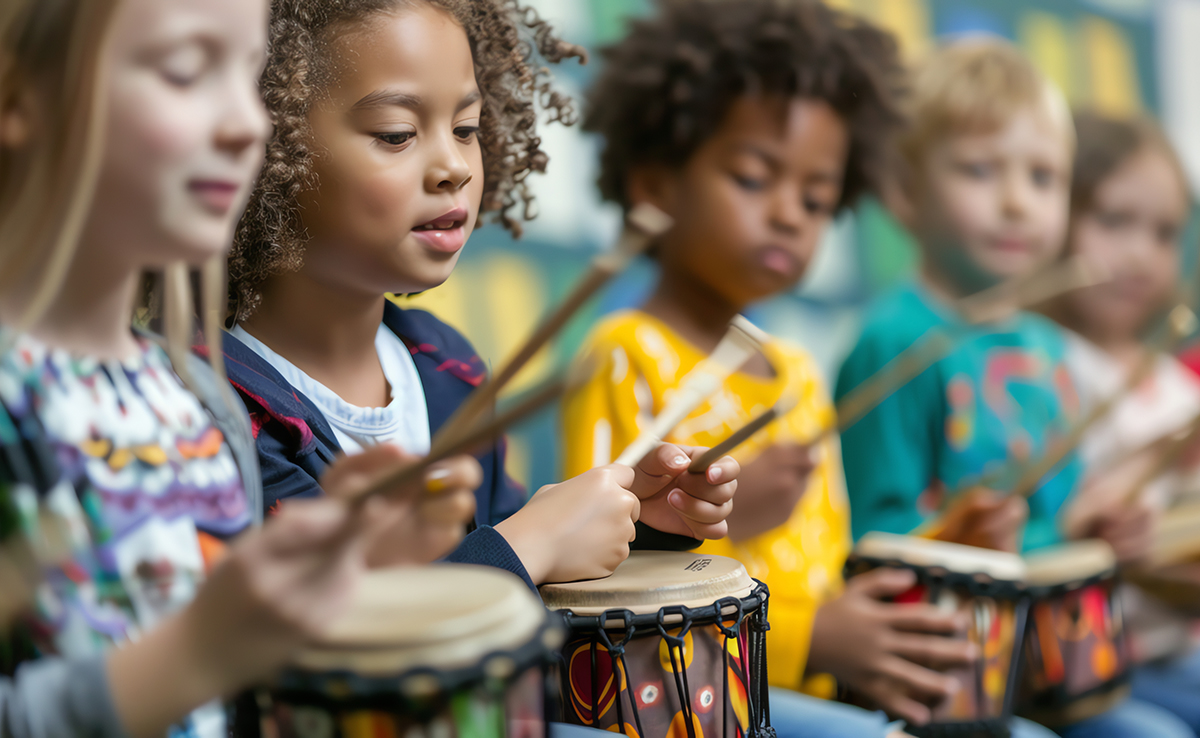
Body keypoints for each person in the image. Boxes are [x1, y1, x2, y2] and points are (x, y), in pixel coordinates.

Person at [560, 4, 1053, 737]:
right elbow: (598, 593)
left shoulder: (795, 372)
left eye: (816, 198)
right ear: (656, 183)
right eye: (754, 178)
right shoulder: (625, 353)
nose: (791, 214)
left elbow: (826, 570)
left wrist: (944, 543)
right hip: (702, 703)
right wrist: (804, 628)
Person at [0, 1, 480, 737]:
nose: (248, 124)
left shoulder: (194, 402)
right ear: (17, 97)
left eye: (248, 75)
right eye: (185, 70)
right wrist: (198, 650)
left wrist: (350, 580)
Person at [218, 0, 739, 590]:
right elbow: (325, 623)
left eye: (466, 129)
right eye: (397, 134)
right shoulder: (209, 411)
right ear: (263, 143)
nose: (454, 166)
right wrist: (533, 543)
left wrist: (630, 518)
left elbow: (504, 559)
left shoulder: (448, 369)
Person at [836, 37, 1193, 738]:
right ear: (904, 190)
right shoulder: (893, 343)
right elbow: (870, 542)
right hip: (941, 677)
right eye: (979, 170)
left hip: (1051, 662)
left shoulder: (1049, 349)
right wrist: (961, 538)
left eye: (1042, 177)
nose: (1016, 203)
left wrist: (1099, 530)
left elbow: (1057, 527)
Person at [1041, 109, 1200, 734]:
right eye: (1113, 221)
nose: (1140, 255)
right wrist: (1095, 530)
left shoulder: (1176, 386)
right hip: (1079, 666)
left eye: (1164, 234)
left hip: (1172, 648)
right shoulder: (1040, 369)